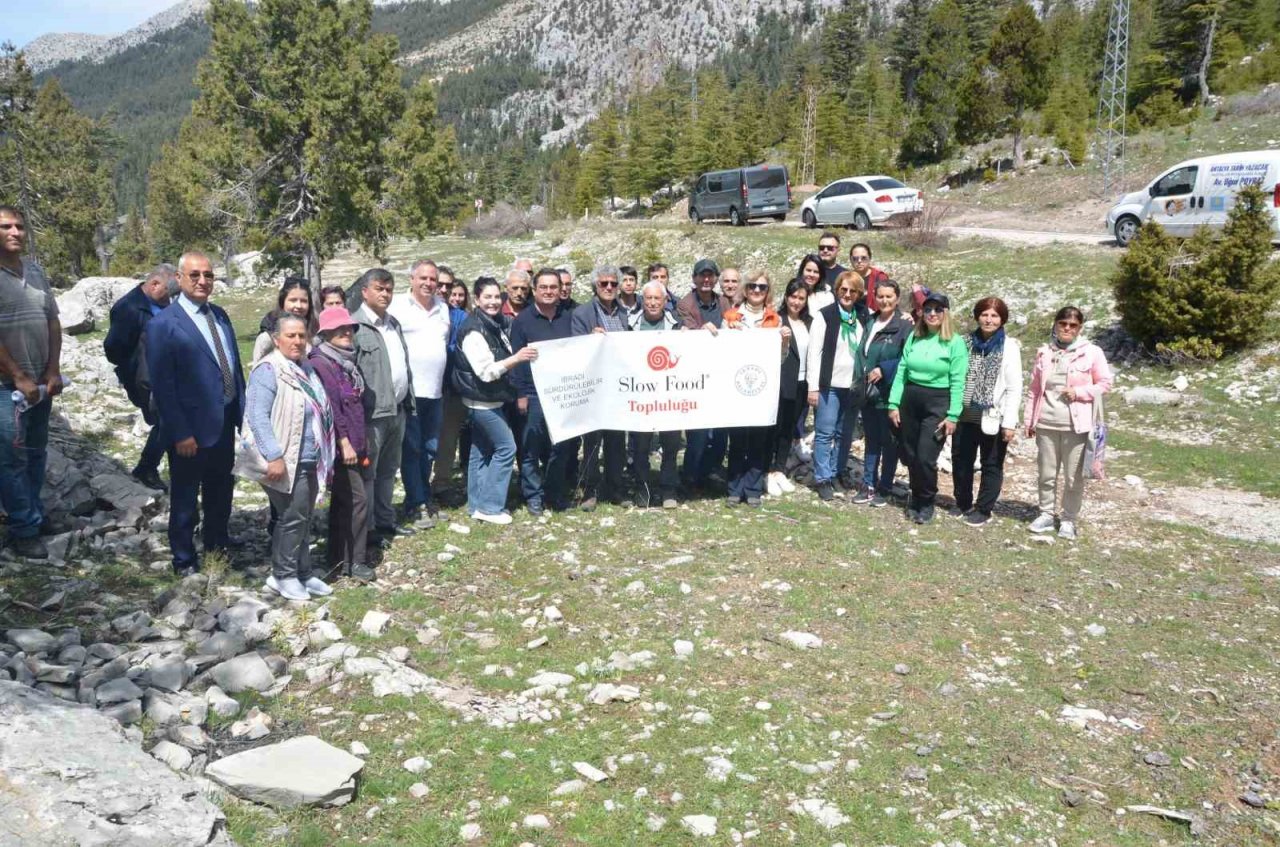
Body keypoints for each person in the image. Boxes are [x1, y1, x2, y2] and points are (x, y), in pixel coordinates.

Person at [146, 251, 246, 576]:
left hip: (224, 422)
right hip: (190, 430)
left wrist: (242, 417)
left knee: (220, 492)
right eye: (195, 275)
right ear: (179, 278)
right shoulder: (163, 324)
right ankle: (184, 558)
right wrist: (179, 432)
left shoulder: (220, 315)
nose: (203, 281)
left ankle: (217, 547)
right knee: (186, 497)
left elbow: (235, 368)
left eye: (208, 275)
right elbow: (163, 385)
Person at [237, 314, 334, 601]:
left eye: (301, 335)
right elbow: (257, 416)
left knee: (301, 516)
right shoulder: (268, 370)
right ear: (276, 339)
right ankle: (283, 575)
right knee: (292, 517)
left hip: (309, 456)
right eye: (290, 336)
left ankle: (303, 573)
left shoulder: (304, 367)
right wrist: (274, 456)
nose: (297, 341)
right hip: (284, 458)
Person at [0, 205, 64, 560]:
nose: (15, 232)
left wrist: (52, 369)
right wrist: (18, 376)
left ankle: (34, 514)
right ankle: (23, 528)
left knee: (37, 452)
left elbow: (52, 321)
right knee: (9, 457)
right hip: (6, 387)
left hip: (41, 383)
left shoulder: (36, 272)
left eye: (20, 227)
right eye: (6, 226)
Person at [453, 277, 537, 524]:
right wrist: (517, 359)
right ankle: (490, 507)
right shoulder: (473, 330)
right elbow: (486, 371)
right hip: (481, 403)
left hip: (489, 400)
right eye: (486, 297)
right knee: (506, 448)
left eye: (496, 297)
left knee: (481, 451)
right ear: (476, 300)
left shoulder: (494, 323)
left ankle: (476, 504)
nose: (492, 302)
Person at [1024, 306, 1112, 541]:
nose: (1067, 328)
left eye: (1072, 325)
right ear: (1055, 324)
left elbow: (1105, 383)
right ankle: (1045, 513)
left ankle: (1069, 519)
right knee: (1046, 473)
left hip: (1077, 425)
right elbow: (1034, 389)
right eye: (1063, 323)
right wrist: (1029, 420)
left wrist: (1080, 392)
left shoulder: (1092, 352)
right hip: (1046, 422)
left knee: (1073, 477)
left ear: (1079, 328)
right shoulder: (1044, 352)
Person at [887, 292, 969, 524]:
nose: (932, 314)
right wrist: (893, 403)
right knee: (910, 453)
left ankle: (927, 500)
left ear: (946, 313)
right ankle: (915, 496)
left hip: (938, 401)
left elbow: (958, 381)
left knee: (925, 456)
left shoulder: (955, 342)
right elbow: (902, 370)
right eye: (928, 309)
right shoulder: (915, 336)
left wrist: (953, 415)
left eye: (938, 310)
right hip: (910, 399)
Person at [309, 307, 375, 582]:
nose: (346, 332)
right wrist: (345, 442)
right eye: (339, 329)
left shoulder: (345, 361)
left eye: (349, 328)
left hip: (355, 442)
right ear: (325, 334)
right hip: (340, 446)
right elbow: (332, 408)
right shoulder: (322, 364)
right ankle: (355, 560)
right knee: (358, 501)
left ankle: (340, 558)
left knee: (344, 501)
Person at [351, 268, 416, 546]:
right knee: (370, 473)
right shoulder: (354, 326)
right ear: (365, 291)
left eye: (389, 289)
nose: (385, 294)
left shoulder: (394, 323)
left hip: (398, 410)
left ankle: (386, 520)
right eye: (379, 288)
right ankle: (370, 529)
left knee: (390, 470)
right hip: (372, 415)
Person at [950, 297, 1023, 525]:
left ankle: (983, 509)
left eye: (994, 316)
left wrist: (1010, 422)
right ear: (977, 316)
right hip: (965, 413)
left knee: (991, 463)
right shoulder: (964, 342)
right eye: (984, 314)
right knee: (961, 460)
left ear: (1002, 320)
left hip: (992, 416)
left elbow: (1014, 387)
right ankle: (962, 502)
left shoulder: (1009, 347)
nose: (989, 320)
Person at [389, 259, 450, 529]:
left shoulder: (443, 308)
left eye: (433, 279)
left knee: (430, 448)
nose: (428, 283)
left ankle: (423, 496)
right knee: (412, 449)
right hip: (411, 392)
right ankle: (416, 503)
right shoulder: (398, 306)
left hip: (435, 391)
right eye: (423, 278)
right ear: (411, 279)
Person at [103, 263, 175, 492]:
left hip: (167, 374)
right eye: (169, 293)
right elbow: (113, 349)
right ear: (155, 284)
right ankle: (146, 468)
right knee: (166, 420)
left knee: (170, 420)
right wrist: (136, 365)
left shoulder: (159, 303)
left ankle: (156, 467)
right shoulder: (129, 309)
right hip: (143, 378)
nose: (170, 300)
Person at [510, 268, 576, 515]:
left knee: (561, 447)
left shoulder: (569, 317)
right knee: (530, 450)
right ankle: (534, 496)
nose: (549, 292)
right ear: (535, 291)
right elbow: (516, 361)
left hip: (563, 393)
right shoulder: (522, 321)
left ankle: (555, 493)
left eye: (553, 287)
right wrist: (521, 395)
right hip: (534, 395)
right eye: (544, 287)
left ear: (561, 290)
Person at [720, 271, 787, 507]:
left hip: (762, 387)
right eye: (752, 286)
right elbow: (720, 351)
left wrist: (784, 341)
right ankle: (734, 488)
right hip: (737, 386)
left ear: (768, 292)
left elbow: (780, 359)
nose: (757, 291)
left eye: (762, 287)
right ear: (745, 289)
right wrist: (729, 332)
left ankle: (753, 488)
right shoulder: (730, 316)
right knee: (737, 439)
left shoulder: (775, 319)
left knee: (759, 440)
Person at [570, 265, 631, 510]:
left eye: (613, 284)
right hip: (593, 387)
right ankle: (590, 490)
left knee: (617, 441)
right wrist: (589, 340)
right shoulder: (582, 314)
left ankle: (615, 487)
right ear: (595, 286)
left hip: (619, 387)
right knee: (592, 442)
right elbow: (575, 348)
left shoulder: (625, 313)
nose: (608, 288)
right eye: (603, 284)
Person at [806, 272, 867, 502]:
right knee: (825, 433)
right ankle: (822, 478)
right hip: (828, 385)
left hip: (852, 386)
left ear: (859, 294)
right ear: (837, 290)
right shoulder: (825, 316)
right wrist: (813, 388)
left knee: (844, 434)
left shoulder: (862, 315)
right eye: (843, 289)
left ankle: (836, 472)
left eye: (853, 291)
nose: (848, 295)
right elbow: (814, 354)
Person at [854, 279, 912, 507]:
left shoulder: (905, 326)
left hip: (889, 393)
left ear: (897, 298)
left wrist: (884, 369)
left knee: (889, 443)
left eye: (889, 296)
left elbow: (908, 359)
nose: (884, 300)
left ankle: (885, 486)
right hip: (868, 392)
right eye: (880, 296)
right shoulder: (869, 321)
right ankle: (868, 483)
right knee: (871, 441)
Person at [676, 259, 732, 492]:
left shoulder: (724, 301)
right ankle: (690, 476)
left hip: (721, 374)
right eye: (702, 276)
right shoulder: (685, 304)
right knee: (698, 434)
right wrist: (701, 332)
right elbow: (687, 334)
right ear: (694, 278)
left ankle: (709, 473)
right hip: (696, 376)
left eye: (710, 276)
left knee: (720, 433)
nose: (706, 280)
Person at [629, 281, 684, 508]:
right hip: (641, 395)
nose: (652, 303)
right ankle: (642, 488)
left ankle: (668, 488)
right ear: (643, 300)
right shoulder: (630, 324)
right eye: (648, 298)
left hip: (669, 395)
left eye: (657, 299)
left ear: (665, 301)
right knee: (640, 446)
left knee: (671, 444)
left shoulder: (676, 324)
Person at [769, 278, 810, 497]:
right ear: (786, 297)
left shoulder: (810, 322)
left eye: (801, 298)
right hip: (782, 380)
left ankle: (780, 469)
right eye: (793, 296)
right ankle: (767, 470)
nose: (796, 301)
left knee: (789, 428)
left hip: (803, 382)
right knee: (775, 427)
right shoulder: (776, 320)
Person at [436, 279, 472, 495]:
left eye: (448, 286)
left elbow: (459, 347)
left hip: (451, 385)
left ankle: (441, 482)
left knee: (448, 436)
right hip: (421, 386)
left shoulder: (460, 316)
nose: (444, 290)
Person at [253, 278, 314, 365]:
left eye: (304, 301)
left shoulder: (315, 334)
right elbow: (259, 373)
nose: (299, 305)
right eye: (293, 300)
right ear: (283, 302)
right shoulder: (267, 339)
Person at [848, 243, 889, 311]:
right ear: (851, 260)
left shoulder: (880, 277)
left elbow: (889, 300)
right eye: (855, 258)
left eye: (863, 258)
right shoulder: (848, 278)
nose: (859, 261)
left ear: (869, 258)